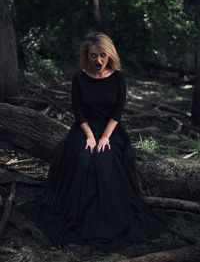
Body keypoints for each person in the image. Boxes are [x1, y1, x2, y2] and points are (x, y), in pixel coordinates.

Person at [18, 32, 171, 255]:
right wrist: (89, 136)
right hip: (85, 128)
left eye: (102, 55)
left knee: (105, 160)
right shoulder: (79, 78)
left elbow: (118, 111)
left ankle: (107, 223)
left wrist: (105, 137)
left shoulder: (119, 77)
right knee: (82, 158)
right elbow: (78, 110)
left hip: (111, 130)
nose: (98, 61)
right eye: (93, 56)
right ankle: (78, 219)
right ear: (86, 56)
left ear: (109, 55)